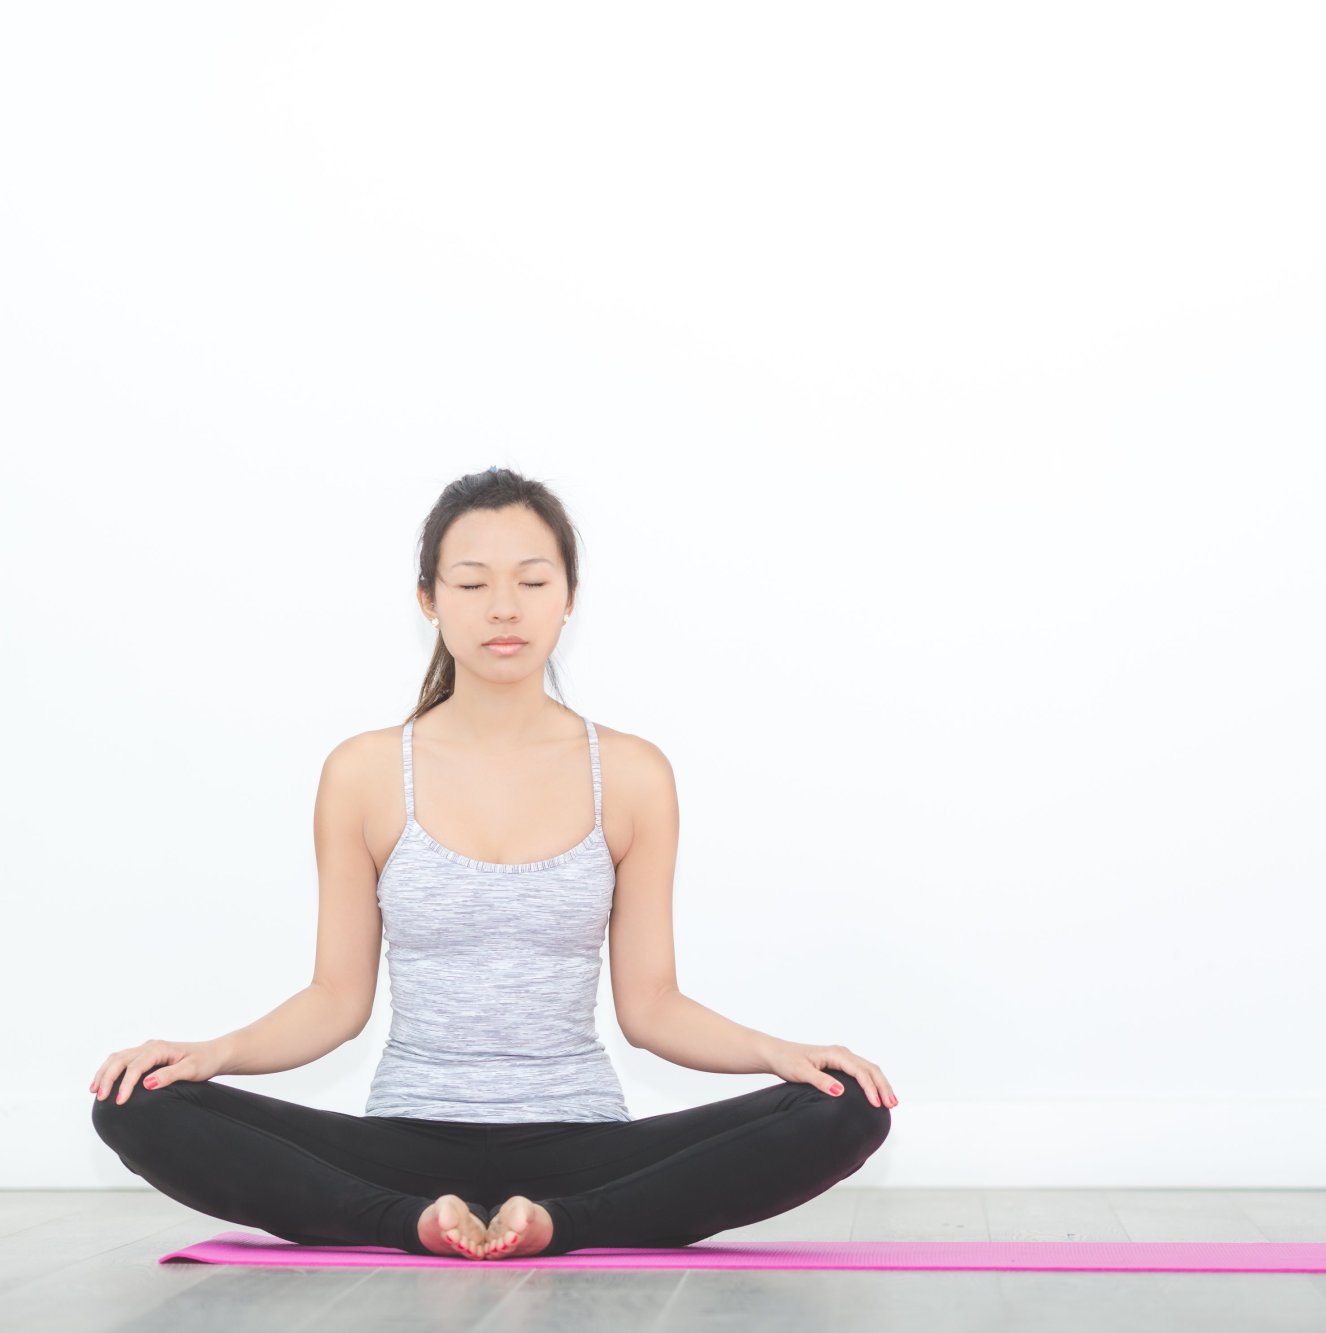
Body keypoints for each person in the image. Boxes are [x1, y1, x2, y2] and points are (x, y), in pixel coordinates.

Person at [89, 466, 895, 1259]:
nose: (504, 608)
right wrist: (208, 1054)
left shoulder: (633, 773)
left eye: (532, 581)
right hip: (404, 1142)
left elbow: (650, 1006)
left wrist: (777, 1052)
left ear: (569, 595)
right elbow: (336, 998)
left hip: (582, 1145)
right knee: (136, 1106)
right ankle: (408, 1220)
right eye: (471, 584)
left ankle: (559, 1220)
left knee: (848, 1107)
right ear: (428, 599)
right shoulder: (365, 772)